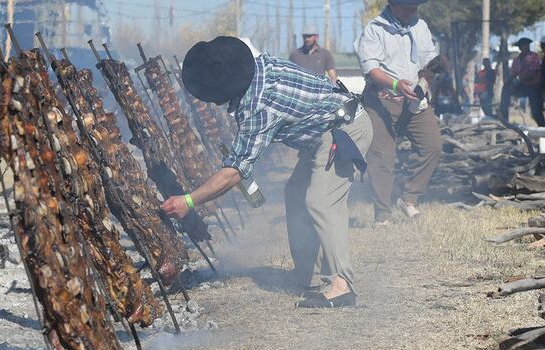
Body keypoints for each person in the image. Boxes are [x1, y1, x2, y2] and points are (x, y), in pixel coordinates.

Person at [161, 37, 373, 308]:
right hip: (322, 134)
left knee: (321, 202)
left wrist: (188, 201)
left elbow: (234, 171)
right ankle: (307, 276)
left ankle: (342, 286)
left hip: (346, 131)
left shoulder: (259, 107)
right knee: (295, 194)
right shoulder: (260, 68)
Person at [354, 0, 442, 225]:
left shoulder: (420, 26)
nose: (413, 11)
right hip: (380, 101)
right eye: (408, 7)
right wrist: (395, 85)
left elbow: (430, 61)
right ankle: (382, 214)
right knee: (382, 157)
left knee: (432, 146)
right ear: (393, 5)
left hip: (415, 101)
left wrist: (424, 81)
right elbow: (371, 70)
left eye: (415, 6)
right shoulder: (375, 29)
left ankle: (409, 197)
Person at [499, 37, 544, 126]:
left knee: (536, 112)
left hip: (534, 86)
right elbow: (513, 73)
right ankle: (504, 117)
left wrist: (523, 77)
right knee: (506, 89)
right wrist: (508, 82)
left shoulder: (534, 57)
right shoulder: (517, 60)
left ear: (527, 46)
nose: (522, 48)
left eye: (524, 45)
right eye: (521, 46)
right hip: (522, 85)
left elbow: (534, 72)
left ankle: (542, 125)